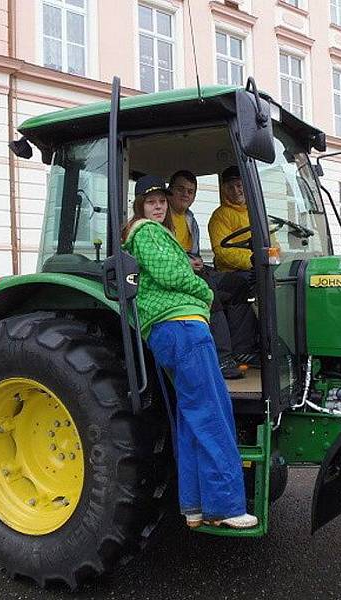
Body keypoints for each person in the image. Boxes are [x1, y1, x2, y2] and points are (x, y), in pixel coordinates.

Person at [121, 174, 258, 530]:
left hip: (175, 326)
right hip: (181, 325)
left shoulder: (155, 232)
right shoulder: (147, 233)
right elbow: (170, 274)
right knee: (213, 410)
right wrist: (206, 291)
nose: (159, 207)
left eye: (161, 202)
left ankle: (195, 505)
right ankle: (225, 506)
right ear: (140, 205)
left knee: (192, 413)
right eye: (151, 202)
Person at [168, 170, 243, 380]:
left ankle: (243, 349)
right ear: (170, 191)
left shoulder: (189, 218)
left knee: (237, 284)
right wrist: (187, 262)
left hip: (194, 266)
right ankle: (222, 357)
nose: (186, 195)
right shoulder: (163, 215)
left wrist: (197, 261)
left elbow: (193, 251)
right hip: (174, 271)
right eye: (181, 189)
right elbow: (163, 251)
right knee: (209, 289)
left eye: (190, 191)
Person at [207, 166, 259, 367]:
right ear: (224, 190)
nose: (236, 190)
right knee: (244, 285)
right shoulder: (221, 216)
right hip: (232, 272)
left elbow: (272, 244)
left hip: (254, 268)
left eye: (239, 185)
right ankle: (242, 349)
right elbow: (223, 252)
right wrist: (254, 260)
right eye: (231, 187)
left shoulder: (256, 212)